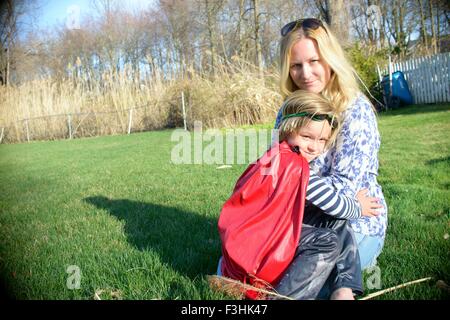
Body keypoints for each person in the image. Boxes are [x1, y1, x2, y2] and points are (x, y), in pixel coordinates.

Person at [218, 90, 381, 300]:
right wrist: (358, 207)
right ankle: (283, 298)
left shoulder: (274, 157)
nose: (314, 146)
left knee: (334, 222)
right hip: (262, 250)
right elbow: (336, 204)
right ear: (288, 130)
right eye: (307, 137)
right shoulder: (295, 167)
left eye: (322, 140)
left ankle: (343, 291)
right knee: (327, 241)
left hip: (261, 238)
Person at [275, 18, 388, 271]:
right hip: (300, 219)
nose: (305, 74)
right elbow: (275, 167)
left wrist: (294, 185)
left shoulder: (355, 110)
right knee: (255, 258)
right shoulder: (288, 110)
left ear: (330, 59)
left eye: (314, 61)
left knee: (309, 275)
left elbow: (344, 190)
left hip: (353, 220)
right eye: (296, 65)